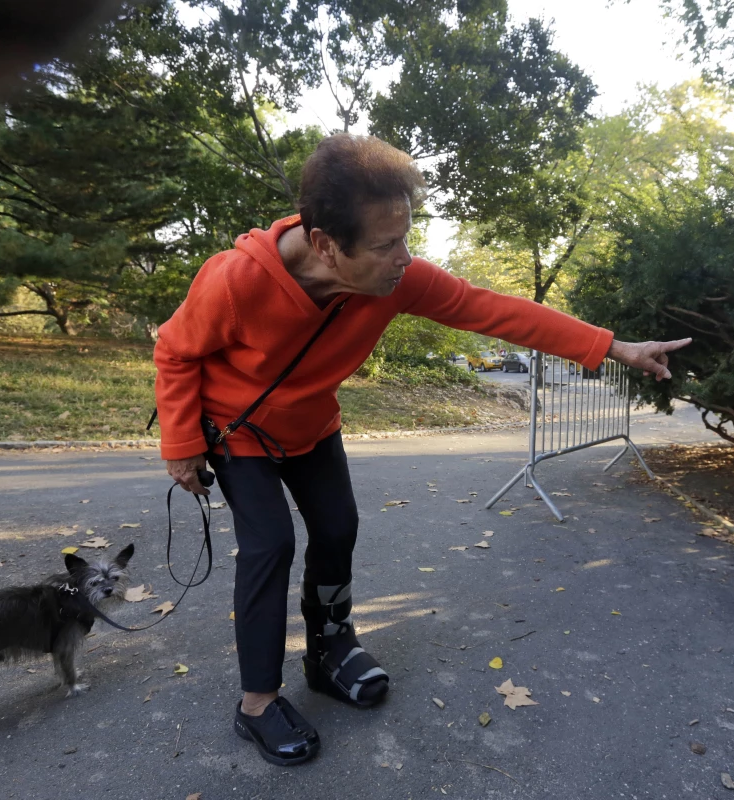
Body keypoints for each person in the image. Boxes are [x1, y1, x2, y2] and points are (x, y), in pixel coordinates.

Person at [153, 133, 691, 767]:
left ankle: (329, 650)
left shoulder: (395, 278)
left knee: (338, 529)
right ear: (326, 243)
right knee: (271, 543)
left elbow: (486, 308)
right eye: (386, 245)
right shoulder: (237, 281)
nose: (404, 258)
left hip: (312, 427)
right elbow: (176, 349)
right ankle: (257, 703)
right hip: (236, 430)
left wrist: (612, 348)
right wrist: (182, 446)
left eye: (406, 237)